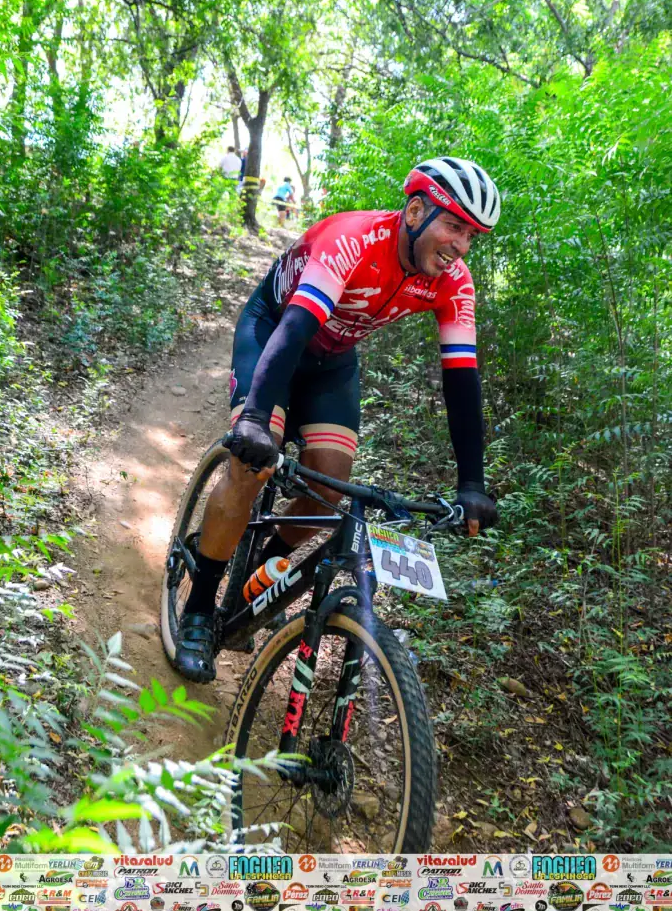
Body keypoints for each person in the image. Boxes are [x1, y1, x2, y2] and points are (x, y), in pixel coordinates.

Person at [174, 157, 501, 682]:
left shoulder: (454, 283)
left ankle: (257, 574)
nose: (461, 246)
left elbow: (462, 381)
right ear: (415, 211)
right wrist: (255, 419)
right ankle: (198, 608)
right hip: (276, 331)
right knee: (252, 465)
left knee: (328, 489)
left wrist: (472, 484)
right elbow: (295, 328)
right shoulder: (353, 239)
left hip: (334, 360)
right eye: (454, 226)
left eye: (471, 236)